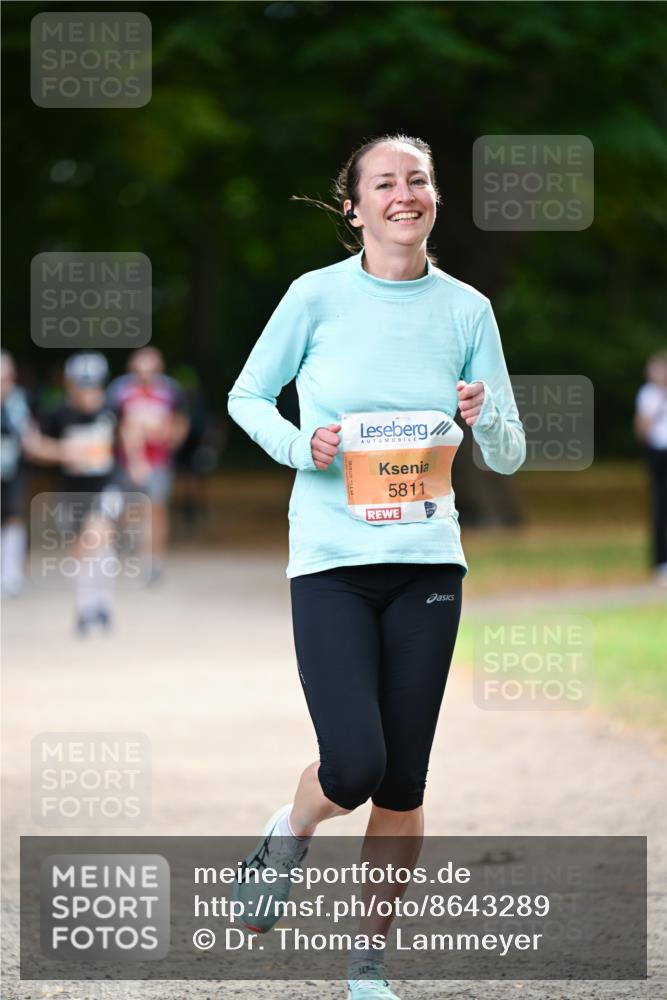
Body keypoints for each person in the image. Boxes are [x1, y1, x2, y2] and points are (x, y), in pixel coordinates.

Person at [227, 134, 526, 999]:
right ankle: (288, 831)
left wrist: (483, 414)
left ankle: (365, 966)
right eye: (385, 183)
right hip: (331, 562)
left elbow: (505, 455)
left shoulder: (467, 310)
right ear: (354, 207)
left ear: (435, 198)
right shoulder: (313, 298)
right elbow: (248, 395)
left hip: (428, 562)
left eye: (419, 181)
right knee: (352, 767)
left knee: (402, 779)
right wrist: (301, 443)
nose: (405, 194)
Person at [31, 351, 121, 635]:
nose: (87, 392)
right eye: (81, 385)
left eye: (92, 385)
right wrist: (63, 452)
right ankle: (86, 607)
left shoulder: (112, 410)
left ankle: (101, 604)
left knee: (97, 537)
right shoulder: (57, 412)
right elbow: (35, 444)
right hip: (71, 490)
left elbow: (127, 437)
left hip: (105, 487)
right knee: (81, 549)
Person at [107, 346, 189, 583]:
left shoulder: (170, 391)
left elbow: (180, 422)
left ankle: (153, 561)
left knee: (157, 509)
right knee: (124, 509)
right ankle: (121, 547)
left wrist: (169, 438)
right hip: (125, 461)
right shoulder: (120, 391)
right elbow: (115, 424)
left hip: (159, 461)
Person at [1, 351, 34, 597]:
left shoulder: (20, 401)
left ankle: (11, 574)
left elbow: (29, 436)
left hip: (13, 470)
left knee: (13, 516)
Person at [634, 349, 667, 586]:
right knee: (659, 506)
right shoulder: (647, 395)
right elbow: (641, 430)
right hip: (657, 454)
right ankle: (660, 563)